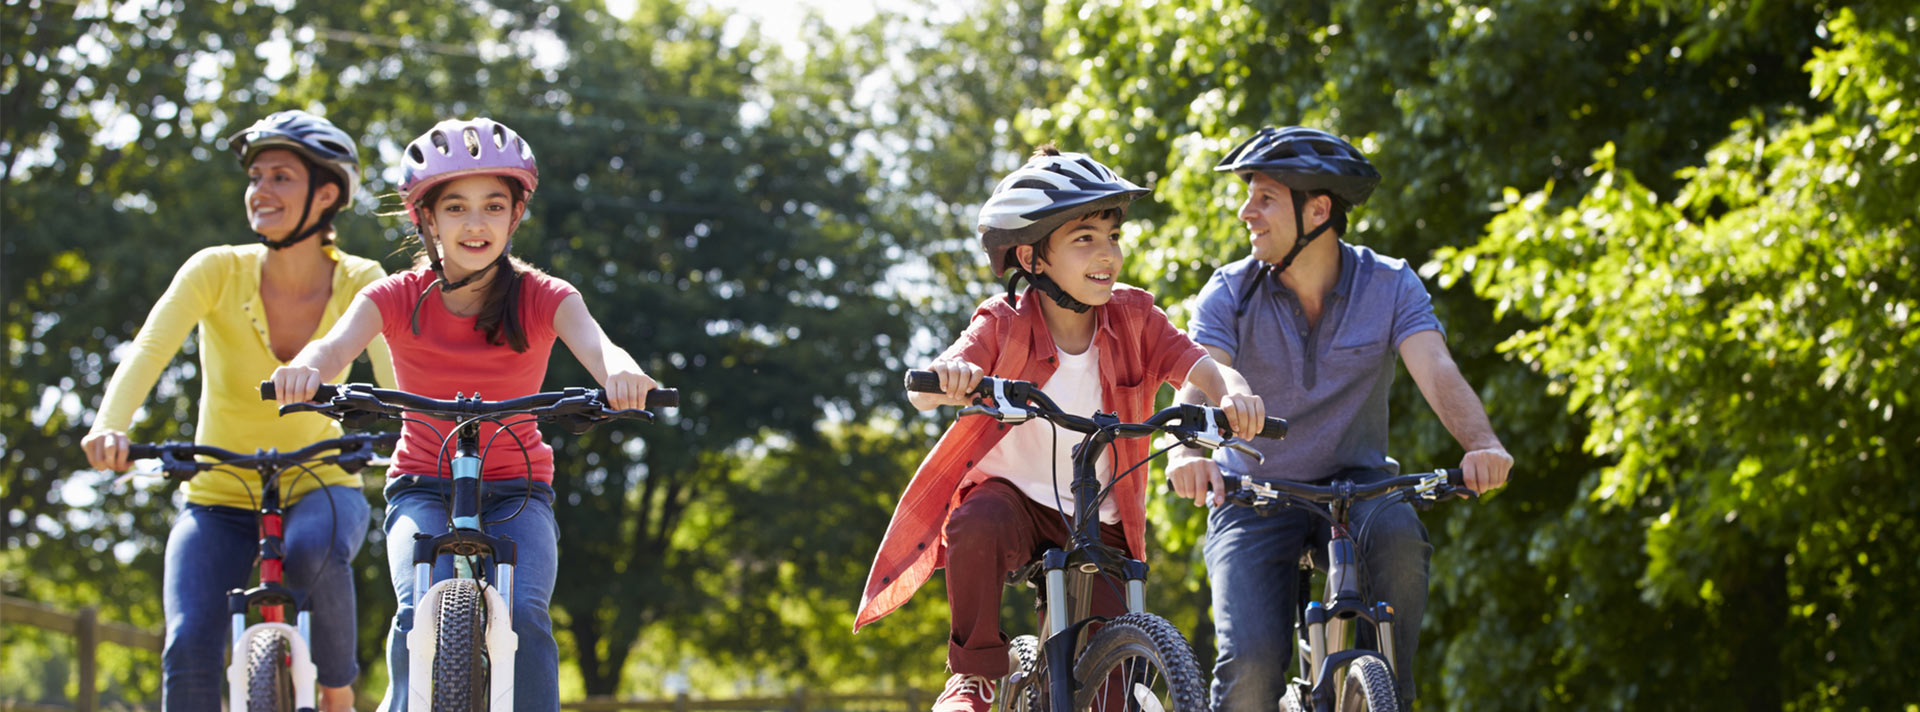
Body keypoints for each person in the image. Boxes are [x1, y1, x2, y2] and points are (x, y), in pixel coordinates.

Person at [853, 147, 1267, 712]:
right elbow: (927, 389)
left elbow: (1201, 366)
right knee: (975, 520)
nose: (1108, 254)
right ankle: (973, 676)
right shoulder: (1002, 323)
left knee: (1113, 689)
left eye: (1112, 236)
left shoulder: (1135, 317)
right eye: (1084, 239)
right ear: (1032, 256)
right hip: (1016, 504)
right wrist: (951, 377)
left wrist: (1234, 395)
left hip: (1097, 513)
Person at [268, 117, 658, 712]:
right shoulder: (394, 295)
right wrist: (308, 367)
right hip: (422, 485)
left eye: (493, 206)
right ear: (426, 218)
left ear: (515, 216)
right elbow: (335, 346)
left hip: (518, 488)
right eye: (456, 208)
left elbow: (601, 348)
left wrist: (621, 375)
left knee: (524, 612)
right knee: (413, 606)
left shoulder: (543, 295)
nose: (476, 224)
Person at [1166, 126, 1515, 710]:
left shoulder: (1390, 284)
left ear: (1318, 209)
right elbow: (1200, 381)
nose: (1245, 212)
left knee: (1402, 538)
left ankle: (1388, 695)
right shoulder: (1229, 292)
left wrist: (1481, 444)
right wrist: (1186, 454)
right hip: (1255, 495)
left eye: (1265, 197)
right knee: (1251, 668)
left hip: (1361, 488)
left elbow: (1437, 370)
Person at [80, 109, 394, 712]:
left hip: (322, 483)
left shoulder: (363, 280)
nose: (260, 191)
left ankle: (336, 693)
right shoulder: (215, 270)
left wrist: (412, 440)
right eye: (255, 177)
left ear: (326, 194)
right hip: (218, 493)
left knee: (310, 550)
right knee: (189, 637)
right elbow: (149, 349)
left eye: (280, 176)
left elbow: (396, 380)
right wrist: (109, 427)